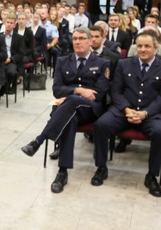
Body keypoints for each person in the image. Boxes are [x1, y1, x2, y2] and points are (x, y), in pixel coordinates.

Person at [20, 27, 111, 193]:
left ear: (90, 41)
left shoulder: (102, 63)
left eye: (82, 38)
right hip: (70, 111)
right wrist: (79, 91)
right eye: (75, 38)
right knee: (70, 118)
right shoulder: (63, 61)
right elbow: (56, 89)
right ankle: (62, 172)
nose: (77, 42)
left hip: (91, 110)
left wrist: (72, 94)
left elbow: (99, 93)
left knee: (72, 102)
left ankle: (39, 140)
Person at [93, 31, 161, 196]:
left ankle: (152, 175)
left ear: (155, 47)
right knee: (101, 125)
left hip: (151, 114)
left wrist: (145, 113)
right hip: (124, 110)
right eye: (139, 46)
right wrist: (126, 109)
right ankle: (101, 167)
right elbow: (116, 91)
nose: (142, 49)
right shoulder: (124, 64)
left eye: (147, 46)